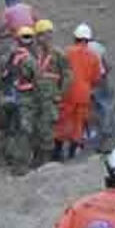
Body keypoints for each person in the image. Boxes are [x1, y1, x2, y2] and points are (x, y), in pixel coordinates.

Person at [54, 23, 104, 160]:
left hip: (67, 92)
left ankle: (57, 153)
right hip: (84, 95)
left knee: (63, 122)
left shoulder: (67, 52)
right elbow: (97, 79)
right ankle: (72, 155)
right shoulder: (93, 56)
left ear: (75, 37)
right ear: (88, 40)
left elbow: (58, 72)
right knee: (78, 124)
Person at [0, 26, 39, 174]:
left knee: (6, 131)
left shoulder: (6, 57)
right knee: (23, 132)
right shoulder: (30, 59)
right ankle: (20, 166)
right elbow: (37, 79)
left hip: (6, 98)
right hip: (24, 99)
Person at [33, 19, 70, 164]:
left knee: (48, 131)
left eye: (47, 34)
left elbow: (68, 76)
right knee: (35, 130)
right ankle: (37, 160)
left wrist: (60, 94)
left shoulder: (58, 55)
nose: (44, 38)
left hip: (50, 99)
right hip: (35, 98)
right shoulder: (33, 54)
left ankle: (47, 163)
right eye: (41, 35)